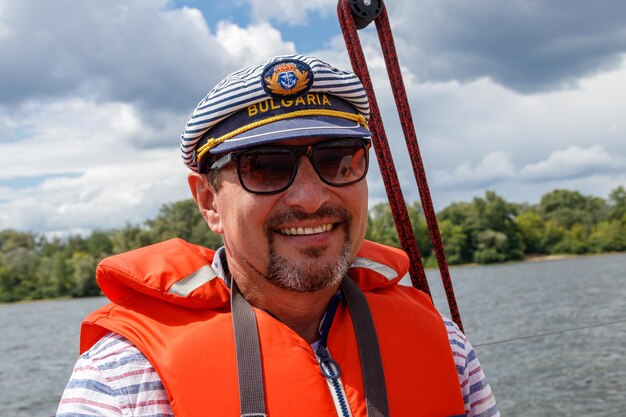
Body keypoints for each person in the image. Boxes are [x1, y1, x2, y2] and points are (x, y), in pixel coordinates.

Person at [57, 55, 499, 417]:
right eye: (264, 167)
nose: (309, 198)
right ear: (209, 201)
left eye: (337, 159)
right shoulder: (123, 382)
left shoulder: (444, 343)